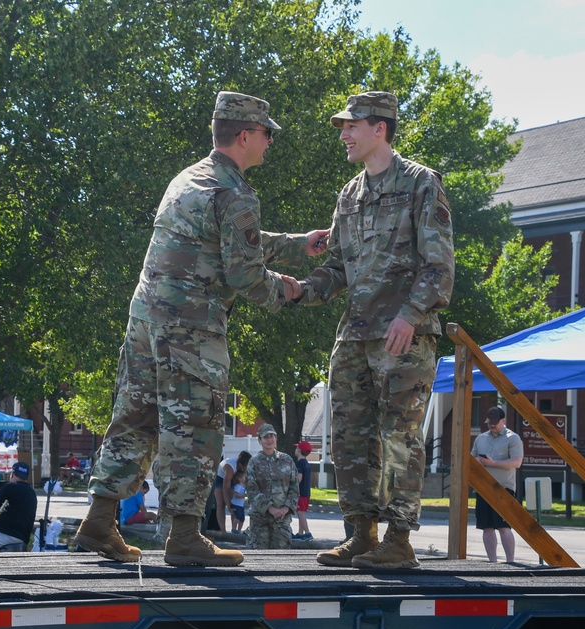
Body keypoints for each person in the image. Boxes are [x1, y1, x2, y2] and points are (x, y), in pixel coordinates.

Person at [75, 90, 330, 567]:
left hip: (145, 320)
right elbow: (245, 276)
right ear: (244, 135)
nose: (270, 141)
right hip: (191, 330)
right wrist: (291, 291)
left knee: (135, 416)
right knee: (194, 426)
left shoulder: (188, 179)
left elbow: (228, 243)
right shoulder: (236, 193)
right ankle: (185, 536)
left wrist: (299, 243)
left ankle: (99, 520)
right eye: (266, 133)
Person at [290, 91, 455, 569]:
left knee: (400, 434)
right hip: (355, 336)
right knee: (350, 438)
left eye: (351, 126)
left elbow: (439, 266)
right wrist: (301, 289)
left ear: (379, 128)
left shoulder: (422, 183)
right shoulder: (349, 195)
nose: (343, 134)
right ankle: (362, 533)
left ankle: (400, 541)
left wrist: (410, 315)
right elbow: (338, 267)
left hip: (403, 334)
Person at [472, 406, 524, 563]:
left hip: (503, 488)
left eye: (495, 422)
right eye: (489, 423)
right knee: (486, 527)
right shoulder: (480, 438)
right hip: (482, 487)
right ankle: (492, 562)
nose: (492, 425)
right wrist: (477, 462)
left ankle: (510, 561)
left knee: (503, 526)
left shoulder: (512, 438)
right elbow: (471, 459)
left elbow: (516, 462)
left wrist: (493, 463)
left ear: (503, 421)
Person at [246, 424, 299, 548]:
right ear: (260, 440)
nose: (269, 440)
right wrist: (270, 508)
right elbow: (251, 489)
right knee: (258, 557)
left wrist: (286, 508)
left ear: (276, 438)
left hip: (282, 518)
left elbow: (294, 487)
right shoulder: (254, 462)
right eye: (266, 437)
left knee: (281, 557)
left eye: (272, 436)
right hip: (260, 518)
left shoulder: (287, 460)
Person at [213, 451, 252, 533]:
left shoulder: (243, 470)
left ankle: (233, 529)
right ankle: (223, 530)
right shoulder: (230, 468)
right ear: (241, 465)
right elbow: (225, 490)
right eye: (247, 467)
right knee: (221, 504)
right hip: (221, 478)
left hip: (234, 478)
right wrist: (229, 506)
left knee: (234, 505)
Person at [293, 441, 314, 540]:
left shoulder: (299, 464)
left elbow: (299, 478)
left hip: (300, 492)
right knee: (300, 512)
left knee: (300, 513)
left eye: (297, 448)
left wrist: (292, 485)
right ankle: (300, 533)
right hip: (306, 492)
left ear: (299, 450)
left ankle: (307, 533)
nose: (295, 449)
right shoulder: (306, 463)